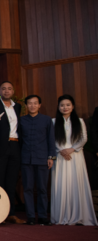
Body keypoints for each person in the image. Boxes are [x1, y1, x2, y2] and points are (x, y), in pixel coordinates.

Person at [51, 95, 97, 225]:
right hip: (60, 156)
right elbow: (51, 139)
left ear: (73, 106)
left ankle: (79, 215)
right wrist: (62, 150)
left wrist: (71, 149)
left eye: (68, 105)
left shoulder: (80, 121)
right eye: (62, 105)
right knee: (60, 184)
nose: (65, 107)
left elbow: (83, 138)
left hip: (75, 156)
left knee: (76, 183)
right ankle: (61, 216)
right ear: (58, 107)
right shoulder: (53, 121)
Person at [0, 81, 25, 224]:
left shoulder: (17, 107)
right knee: (0, 180)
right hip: (0, 147)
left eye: (9, 89)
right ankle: (0, 213)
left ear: (13, 91)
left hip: (15, 146)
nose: (6, 91)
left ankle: (11, 213)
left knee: (12, 181)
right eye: (3, 89)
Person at [18, 95, 56, 226]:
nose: (32, 106)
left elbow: (51, 139)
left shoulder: (46, 120)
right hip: (26, 159)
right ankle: (30, 217)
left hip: (42, 158)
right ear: (26, 106)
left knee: (42, 189)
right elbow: (19, 140)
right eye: (30, 103)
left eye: (35, 103)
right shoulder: (21, 120)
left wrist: (51, 157)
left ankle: (43, 216)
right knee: (27, 188)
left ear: (39, 105)